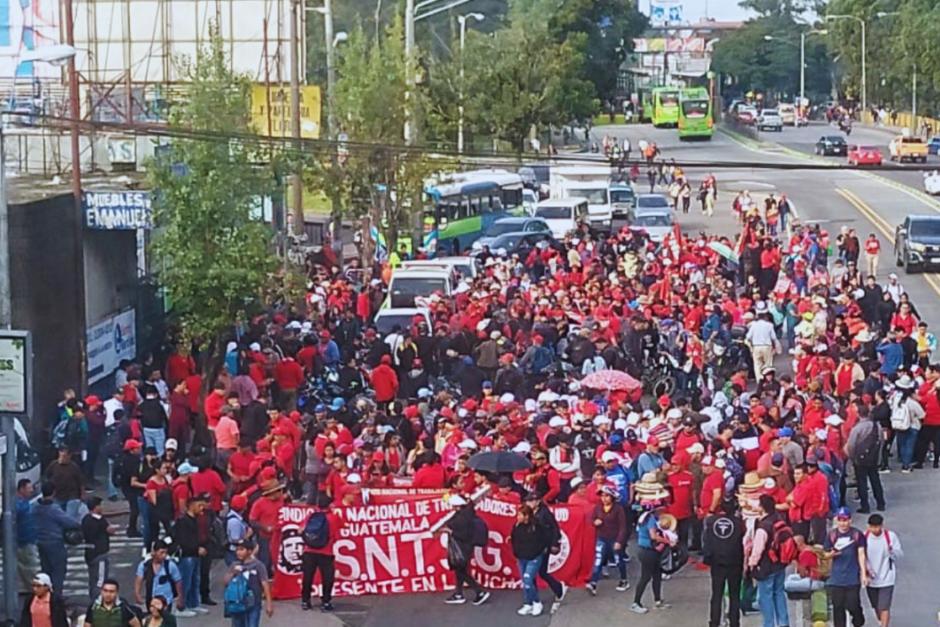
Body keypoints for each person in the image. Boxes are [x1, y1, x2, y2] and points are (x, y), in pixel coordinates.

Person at [745, 495, 789, 627]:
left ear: (762, 508)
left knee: (765, 597)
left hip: (766, 566)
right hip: (780, 563)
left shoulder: (763, 527)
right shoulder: (778, 518)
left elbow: (758, 550)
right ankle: (783, 623)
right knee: (779, 593)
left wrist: (751, 564)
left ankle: (769, 624)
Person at [441, 495, 490, 606]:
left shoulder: (461, 519)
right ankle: (459, 594)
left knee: (461, 572)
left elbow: (463, 535)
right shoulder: (467, 513)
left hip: (462, 547)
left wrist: (449, 531)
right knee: (460, 571)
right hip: (466, 547)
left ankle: (480, 592)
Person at [702, 499, 744, 627]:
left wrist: (708, 558)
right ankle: (734, 622)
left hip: (717, 563)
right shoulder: (739, 523)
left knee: (716, 595)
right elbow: (742, 543)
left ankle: (714, 622)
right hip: (735, 562)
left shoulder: (710, 522)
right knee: (734, 595)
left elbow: (706, 541)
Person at [34, 482, 81, 596]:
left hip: (40, 541)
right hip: (54, 542)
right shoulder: (53, 509)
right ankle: (56, 597)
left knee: (46, 570)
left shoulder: (35, 507)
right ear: (54, 492)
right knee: (58, 570)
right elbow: (69, 522)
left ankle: (46, 595)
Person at [523, 492, 567, 610]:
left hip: (545, 546)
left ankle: (558, 589)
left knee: (542, 572)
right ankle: (533, 598)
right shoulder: (528, 513)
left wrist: (554, 543)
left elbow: (555, 528)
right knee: (532, 573)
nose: (529, 503)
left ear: (537, 501)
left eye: (531, 501)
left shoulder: (545, 513)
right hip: (534, 546)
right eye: (528, 501)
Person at [825, 507, 868, 627]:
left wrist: (863, 573)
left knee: (853, 604)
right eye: (841, 520)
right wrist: (831, 554)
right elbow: (825, 554)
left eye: (846, 520)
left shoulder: (857, 535)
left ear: (850, 520)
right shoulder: (832, 535)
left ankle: (858, 619)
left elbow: (861, 554)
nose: (843, 523)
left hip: (852, 577)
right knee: (838, 608)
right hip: (836, 578)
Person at [300, 494, 343, 612]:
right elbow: (341, 529)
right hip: (326, 552)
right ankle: (326, 602)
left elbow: (301, 530)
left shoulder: (311, 516)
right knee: (327, 578)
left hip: (309, 551)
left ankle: (305, 601)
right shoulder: (334, 517)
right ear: (330, 505)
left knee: (308, 576)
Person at [171, 495, 209, 615]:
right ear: (191, 505)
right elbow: (182, 540)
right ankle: (181, 607)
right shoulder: (183, 521)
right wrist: (196, 548)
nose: (202, 508)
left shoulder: (194, 520)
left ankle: (193, 603)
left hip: (194, 555)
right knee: (185, 582)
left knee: (194, 581)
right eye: (199, 505)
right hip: (186, 555)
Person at [587, 485, 628, 595]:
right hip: (602, 537)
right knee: (598, 559)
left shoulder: (618, 509)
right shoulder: (598, 507)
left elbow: (623, 526)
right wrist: (594, 522)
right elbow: (591, 518)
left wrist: (619, 541)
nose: (604, 498)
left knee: (618, 559)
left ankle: (624, 580)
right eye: (602, 496)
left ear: (612, 497)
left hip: (614, 538)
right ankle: (593, 582)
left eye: (607, 496)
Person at [134, 539, 191, 617]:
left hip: (167, 600)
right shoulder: (144, 566)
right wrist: (137, 594)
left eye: (165, 553)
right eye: (161, 553)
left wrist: (180, 598)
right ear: (154, 552)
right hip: (151, 600)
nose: (164, 555)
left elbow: (178, 581)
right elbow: (139, 580)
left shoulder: (170, 565)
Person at [223, 539, 274, 627]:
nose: (238, 552)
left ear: (249, 551)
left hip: (254, 603)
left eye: (242, 549)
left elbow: (265, 584)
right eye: (237, 549)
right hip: (237, 603)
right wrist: (232, 573)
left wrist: (269, 604)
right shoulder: (234, 564)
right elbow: (225, 582)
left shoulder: (258, 565)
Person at [864, 513, 901, 627]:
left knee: (884, 606)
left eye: (877, 526)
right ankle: (881, 622)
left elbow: (899, 553)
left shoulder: (890, 536)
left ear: (882, 525)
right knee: (876, 606)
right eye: (873, 527)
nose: (875, 529)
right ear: (868, 526)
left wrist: (892, 551)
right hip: (871, 579)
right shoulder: (864, 537)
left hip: (887, 577)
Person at [511, 504, 548, 616]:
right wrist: (516, 553)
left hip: (534, 557)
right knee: (527, 581)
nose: (517, 517)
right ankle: (528, 603)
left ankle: (537, 602)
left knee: (527, 579)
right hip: (521, 558)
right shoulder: (517, 526)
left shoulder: (537, 527)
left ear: (527, 516)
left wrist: (537, 552)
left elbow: (543, 540)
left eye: (520, 515)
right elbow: (514, 539)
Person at [846, 409, 885, 512]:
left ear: (858, 414)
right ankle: (881, 503)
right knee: (875, 480)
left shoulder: (857, 428)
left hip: (860, 459)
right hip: (873, 457)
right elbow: (881, 441)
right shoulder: (877, 426)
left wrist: (852, 457)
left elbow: (851, 445)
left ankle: (865, 506)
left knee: (861, 482)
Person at [82, 496, 117, 601]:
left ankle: (93, 598)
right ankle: (98, 600)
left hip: (89, 553)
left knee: (92, 578)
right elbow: (110, 530)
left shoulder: (85, 519)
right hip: (100, 553)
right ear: (96, 507)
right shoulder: (100, 519)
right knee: (100, 580)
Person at [15, 479, 41, 594]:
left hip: (26, 538)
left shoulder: (23, 502)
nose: (31, 490)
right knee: (31, 566)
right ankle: (35, 589)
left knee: (24, 566)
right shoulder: (19, 504)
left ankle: (25, 588)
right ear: (21, 489)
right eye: (29, 488)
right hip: (24, 540)